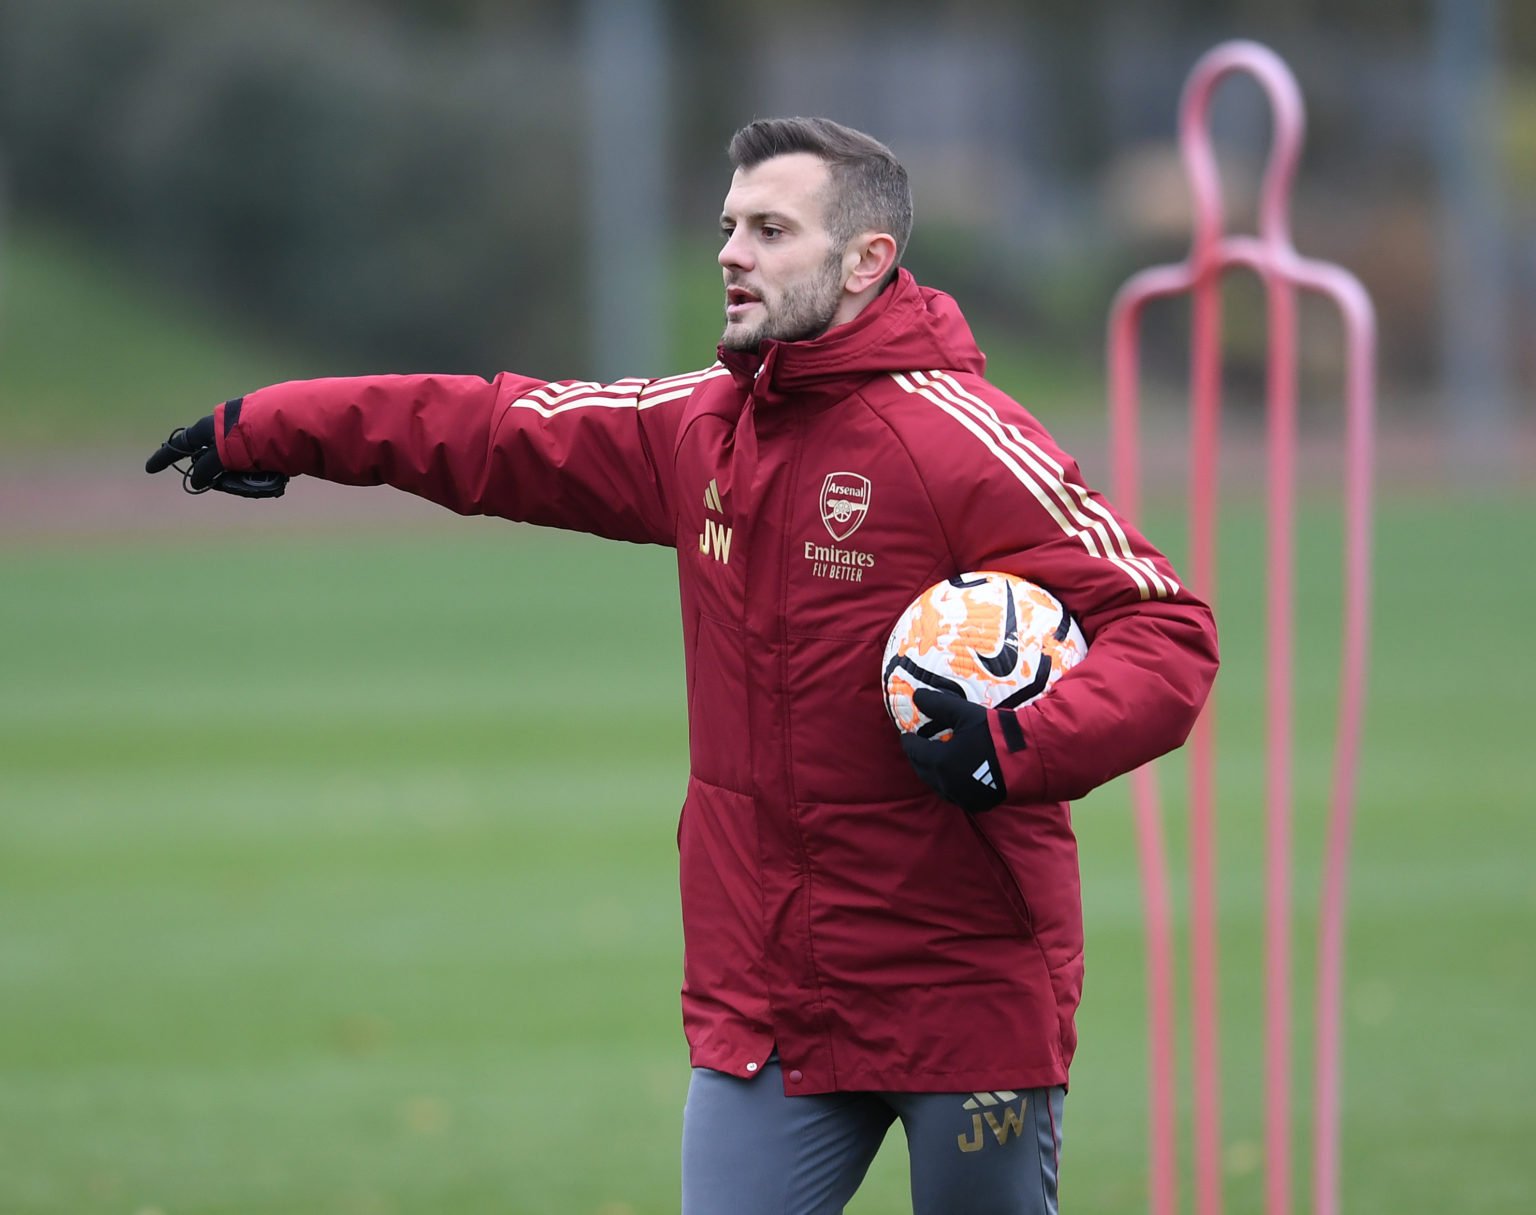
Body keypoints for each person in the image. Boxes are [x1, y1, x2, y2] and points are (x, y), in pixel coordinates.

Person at [147, 117, 1217, 1215]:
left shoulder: (961, 441)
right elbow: (495, 429)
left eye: (768, 228)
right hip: (769, 1004)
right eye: (726, 227)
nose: (730, 253)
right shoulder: (704, 426)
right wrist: (271, 425)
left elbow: (1167, 630)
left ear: (867, 262)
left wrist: (1017, 747)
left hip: (962, 992)